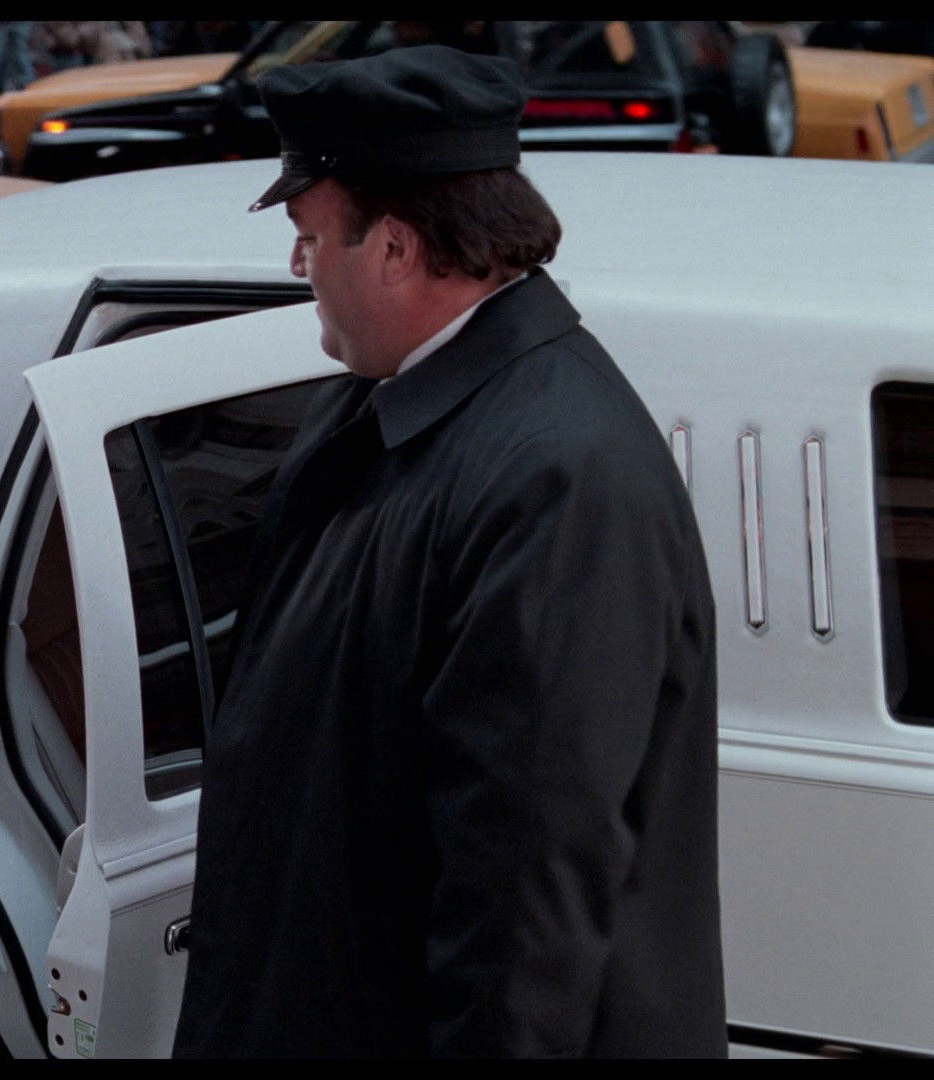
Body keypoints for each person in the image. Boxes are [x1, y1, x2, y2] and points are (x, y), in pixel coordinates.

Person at [172, 45, 724, 1057]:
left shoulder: (560, 477)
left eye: (309, 237)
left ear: (392, 247)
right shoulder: (380, 405)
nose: (298, 267)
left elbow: (523, 889)